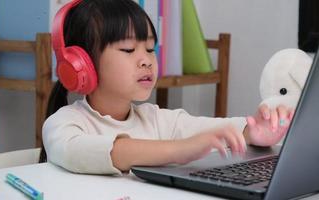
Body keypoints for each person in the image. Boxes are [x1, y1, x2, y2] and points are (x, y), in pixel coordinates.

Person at [40, 0, 294, 175]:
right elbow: (88, 151)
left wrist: (254, 131)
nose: (146, 59)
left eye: (150, 49)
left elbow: (214, 131)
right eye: (128, 49)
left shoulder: (158, 119)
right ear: (80, 65)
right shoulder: (63, 124)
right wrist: (181, 150)